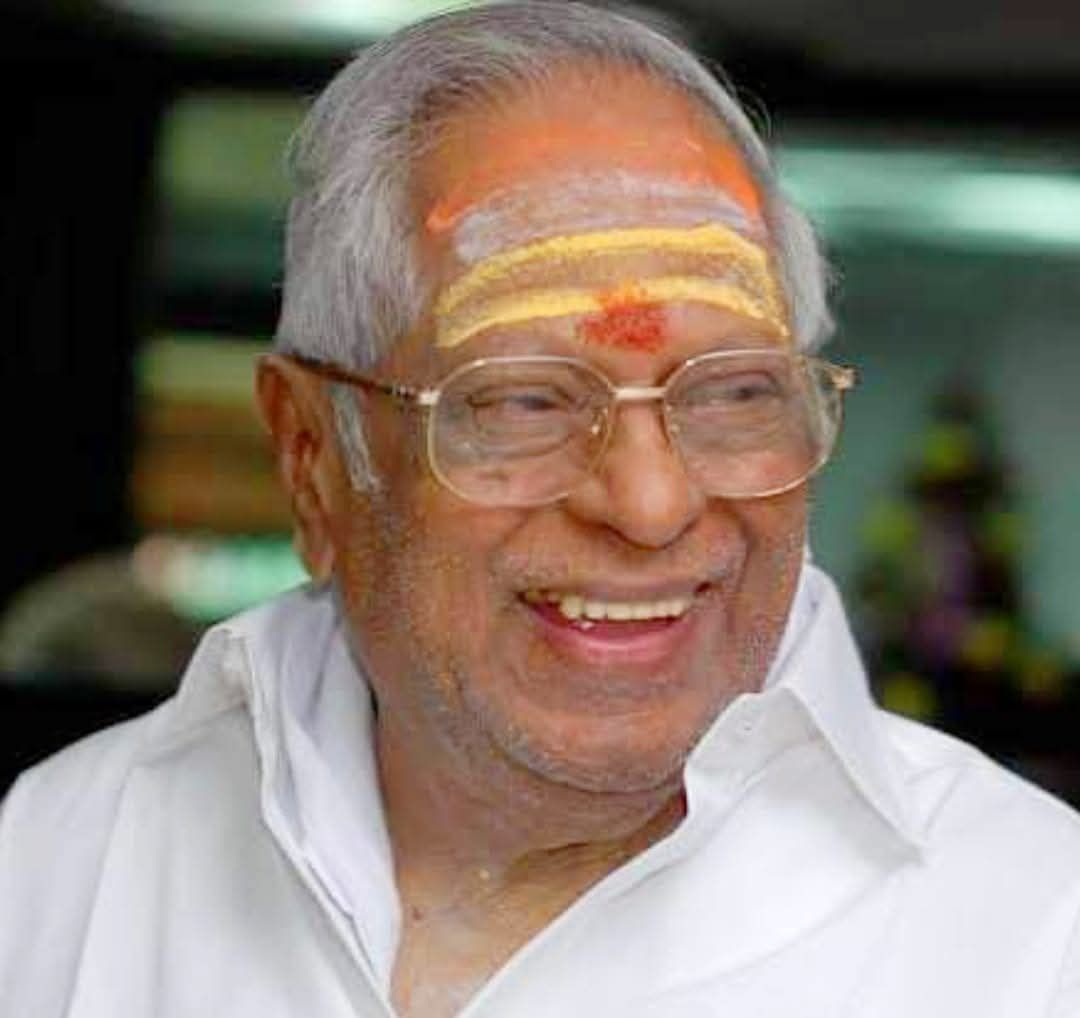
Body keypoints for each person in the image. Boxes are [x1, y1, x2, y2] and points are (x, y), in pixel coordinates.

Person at [2, 4, 1078, 1016]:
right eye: (524, 402)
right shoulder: (62, 860)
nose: (651, 504)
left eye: (732, 393)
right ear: (312, 456)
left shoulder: (1035, 934)